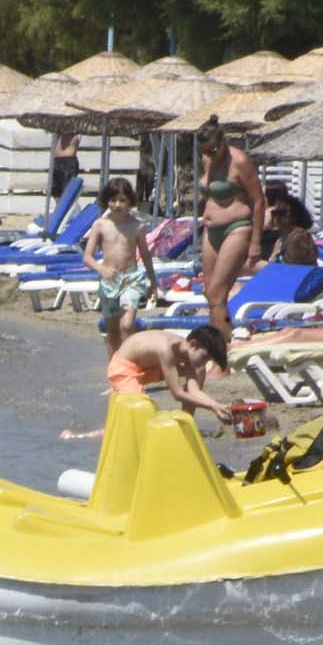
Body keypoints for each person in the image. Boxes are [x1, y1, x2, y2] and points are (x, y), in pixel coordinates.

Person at [194, 115, 265, 343]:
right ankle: (216, 351)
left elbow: (259, 201)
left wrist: (255, 242)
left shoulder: (240, 161)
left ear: (224, 141)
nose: (210, 155)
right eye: (205, 151)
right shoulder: (207, 160)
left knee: (217, 294)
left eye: (214, 149)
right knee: (210, 294)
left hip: (237, 228)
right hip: (211, 231)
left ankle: (223, 354)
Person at [82, 177, 157, 355]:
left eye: (122, 200)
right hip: (109, 281)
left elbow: (145, 256)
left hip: (131, 279)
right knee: (112, 331)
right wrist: (101, 269)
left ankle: (132, 362)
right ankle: (116, 372)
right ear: (106, 201)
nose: (117, 205)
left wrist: (153, 282)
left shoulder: (137, 226)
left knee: (127, 324)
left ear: (130, 201)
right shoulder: (100, 225)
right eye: (113, 200)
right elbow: (87, 257)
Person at [106, 325, 232, 425]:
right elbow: (178, 394)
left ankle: (186, 421)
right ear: (193, 344)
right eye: (203, 357)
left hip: (150, 366)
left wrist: (217, 405)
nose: (204, 362)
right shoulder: (166, 349)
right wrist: (211, 406)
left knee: (199, 370)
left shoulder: (186, 351)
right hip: (124, 368)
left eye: (208, 360)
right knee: (140, 409)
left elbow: (194, 390)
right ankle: (106, 431)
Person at [51, 132, 79, 199]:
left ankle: (64, 207)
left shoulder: (75, 128)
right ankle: (59, 207)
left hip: (69, 161)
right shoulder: (57, 126)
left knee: (66, 191)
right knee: (55, 191)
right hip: (57, 160)